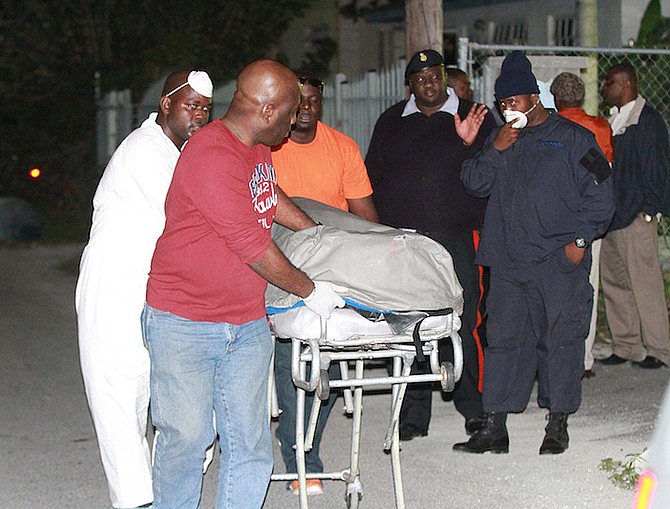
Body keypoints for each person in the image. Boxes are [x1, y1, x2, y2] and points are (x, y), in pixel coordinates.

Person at [142, 60, 347, 509]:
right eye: (292, 112)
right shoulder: (210, 155)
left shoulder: (255, 147)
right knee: (186, 442)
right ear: (269, 110)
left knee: (250, 446)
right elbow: (254, 247)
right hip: (184, 322)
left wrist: (315, 232)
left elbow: (268, 197)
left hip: (247, 323)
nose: (296, 121)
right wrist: (311, 290)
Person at [455, 51, 614, 455]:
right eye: (502, 104)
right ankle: (495, 426)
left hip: (556, 262)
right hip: (508, 262)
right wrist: (496, 148)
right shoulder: (502, 139)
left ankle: (557, 423)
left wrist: (578, 245)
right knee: (504, 341)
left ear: (534, 98)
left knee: (560, 340)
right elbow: (473, 183)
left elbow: (602, 198)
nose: (508, 110)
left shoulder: (575, 138)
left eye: (514, 102)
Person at [75, 69, 213, 509]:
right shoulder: (144, 151)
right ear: (166, 103)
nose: (199, 116)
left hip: (156, 293)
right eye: (191, 105)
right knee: (122, 409)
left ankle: (164, 494)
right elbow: (191, 221)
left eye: (206, 109)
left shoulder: (179, 151)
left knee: (182, 407)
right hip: (114, 292)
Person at [365, 49, 496, 443]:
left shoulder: (474, 116)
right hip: (405, 241)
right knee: (408, 325)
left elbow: (489, 173)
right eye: (419, 77)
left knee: (464, 321)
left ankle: (475, 409)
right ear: (411, 84)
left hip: (459, 237)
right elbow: (371, 177)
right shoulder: (391, 120)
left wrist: (467, 144)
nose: (428, 82)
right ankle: (412, 415)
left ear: (444, 76)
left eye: (434, 75)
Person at [271, 73, 378, 495]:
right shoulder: (268, 150)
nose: (305, 110)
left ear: (321, 104)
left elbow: (365, 217)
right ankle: (301, 456)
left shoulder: (342, 147)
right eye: (297, 103)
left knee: (326, 358)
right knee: (292, 357)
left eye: (313, 101)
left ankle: (307, 441)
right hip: (278, 264)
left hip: (332, 264)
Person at [550, 71, 615, 379]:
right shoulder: (600, 127)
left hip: (554, 221)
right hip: (590, 221)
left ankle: (552, 358)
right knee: (588, 286)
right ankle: (584, 359)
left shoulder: (548, 127)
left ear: (555, 98)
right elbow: (605, 174)